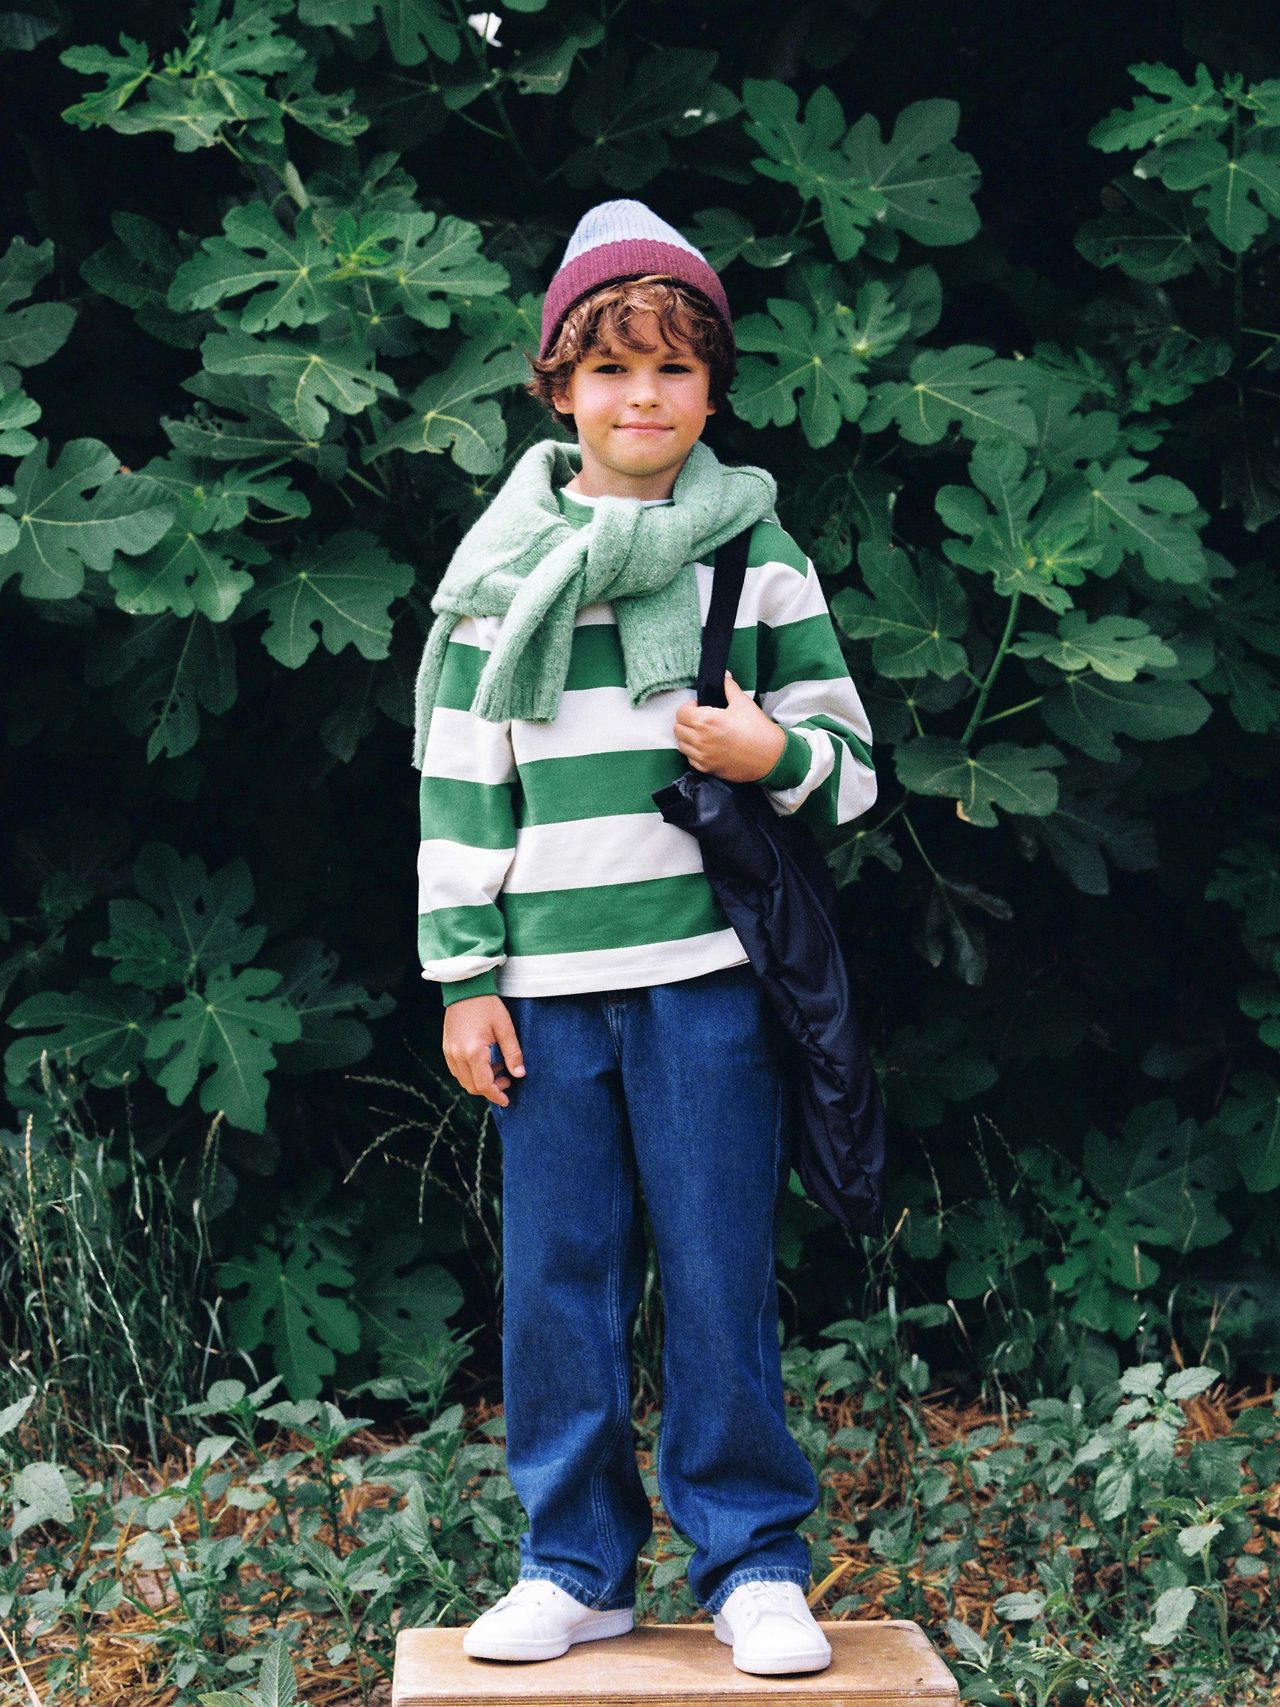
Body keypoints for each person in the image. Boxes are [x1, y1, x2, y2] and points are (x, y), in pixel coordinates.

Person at [412, 199, 877, 1676]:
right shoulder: (501, 574)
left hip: (708, 982)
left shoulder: (757, 558)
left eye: (675, 368)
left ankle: (753, 1564)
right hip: (544, 995)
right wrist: (463, 980)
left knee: (720, 1269)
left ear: (713, 390)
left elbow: (852, 772)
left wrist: (768, 754)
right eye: (610, 369)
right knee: (559, 1282)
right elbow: (461, 788)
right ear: (558, 387)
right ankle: (575, 1563)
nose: (642, 397)